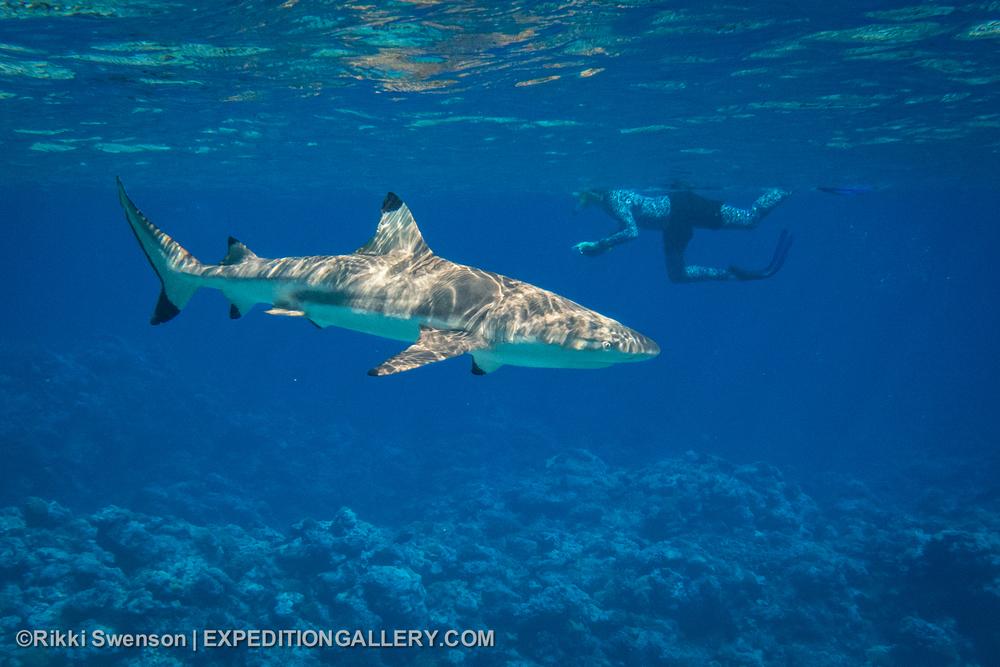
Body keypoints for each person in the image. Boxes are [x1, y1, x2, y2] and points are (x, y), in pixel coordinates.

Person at [573, 187, 793, 282]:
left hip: (682, 208)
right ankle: (732, 275)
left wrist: (601, 245)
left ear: (590, 191)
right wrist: (604, 245)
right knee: (677, 275)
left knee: (750, 220)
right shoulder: (607, 202)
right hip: (673, 222)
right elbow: (626, 223)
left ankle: (785, 189)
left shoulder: (611, 199)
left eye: (579, 192)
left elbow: (632, 231)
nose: (577, 197)